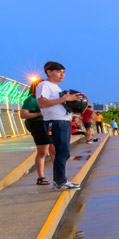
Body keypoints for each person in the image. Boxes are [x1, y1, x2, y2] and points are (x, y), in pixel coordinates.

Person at [36, 61, 81, 190]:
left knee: (63, 152)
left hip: (63, 121)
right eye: (58, 72)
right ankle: (60, 182)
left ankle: (60, 180)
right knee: (62, 152)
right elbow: (42, 103)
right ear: (49, 72)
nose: (62, 75)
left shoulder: (56, 87)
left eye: (63, 72)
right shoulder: (44, 85)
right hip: (55, 122)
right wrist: (64, 99)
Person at [20, 78, 56, 185]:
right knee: (42, 152)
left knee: (54, 151)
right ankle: (41, 177)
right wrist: (39, 114)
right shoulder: (31, 100)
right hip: (38, 126)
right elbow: (23, 114)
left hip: (49, 125)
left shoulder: (46, 99)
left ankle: (58, 175)